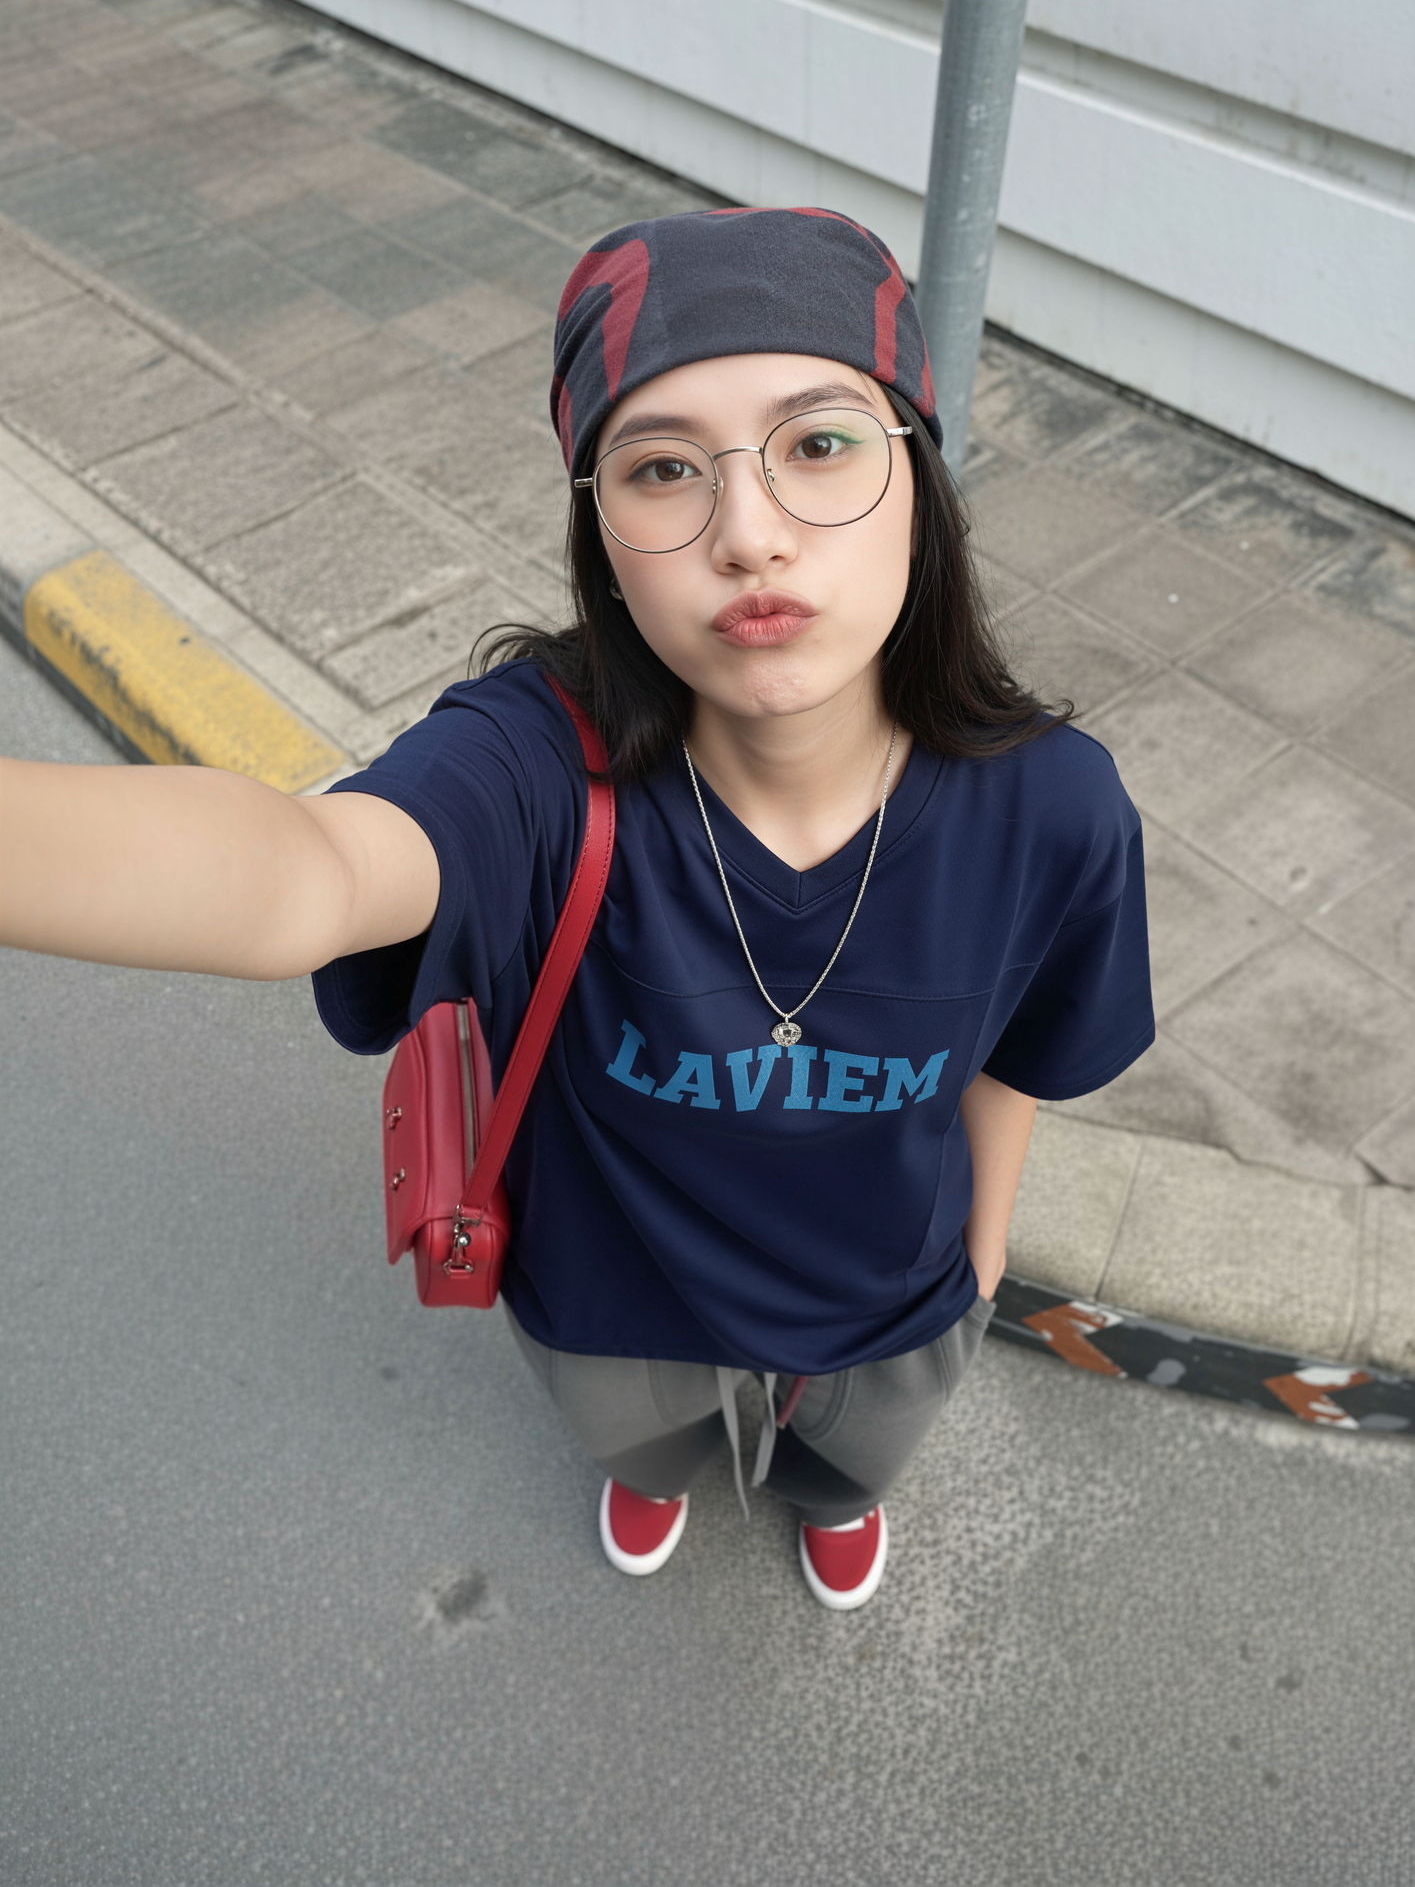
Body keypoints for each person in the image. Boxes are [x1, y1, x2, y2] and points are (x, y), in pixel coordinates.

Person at [1, 207, 1153, 1611]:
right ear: (600, 535)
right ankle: (656, 1475)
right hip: (611, 1298)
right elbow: (303, 872)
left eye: (821, 444)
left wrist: (974, 1271)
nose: (750, 534)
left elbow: (1025, 1054)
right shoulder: (538, 769)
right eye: (663, 468)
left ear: (921, 480)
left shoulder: (1052, 807)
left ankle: (832, 1498)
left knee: (850, 1463)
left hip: (887, 1305)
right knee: (645, 1439)